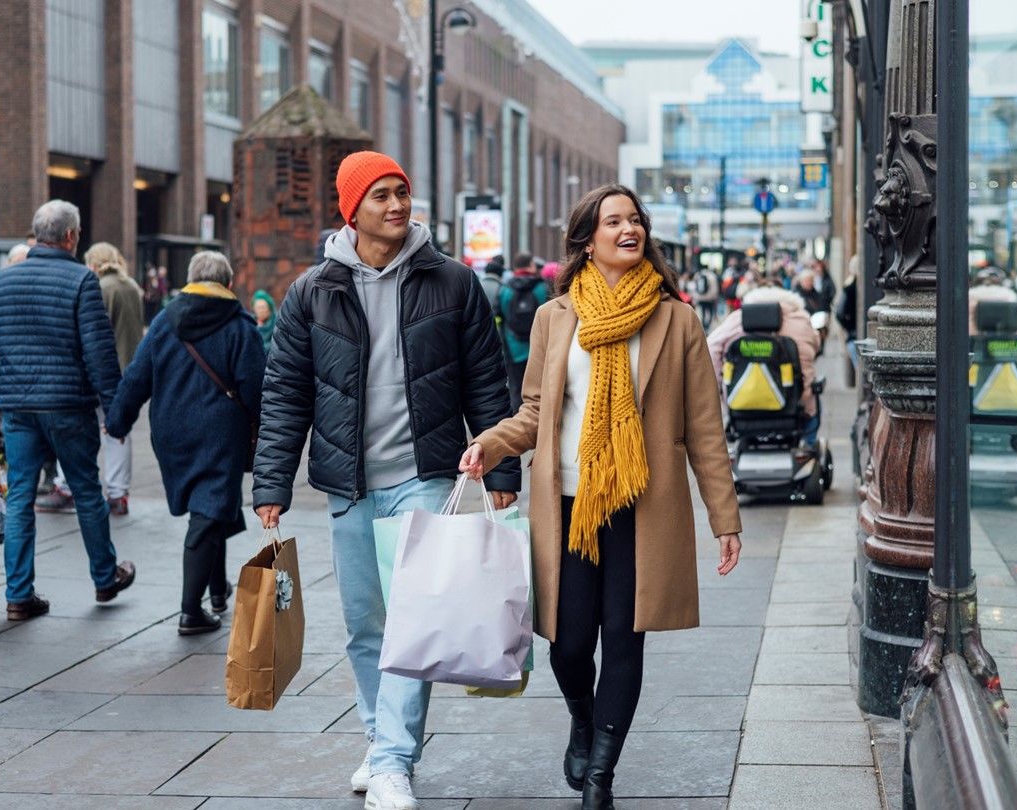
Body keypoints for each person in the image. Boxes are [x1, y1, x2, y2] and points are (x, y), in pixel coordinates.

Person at [459, 183, 743, 810]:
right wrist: (493, 443)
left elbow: (704, 428)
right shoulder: (556, 316)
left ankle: (601, 775)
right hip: (566, 502)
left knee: (624, 634)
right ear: (587, 239)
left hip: (643, 506)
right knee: (567, 642)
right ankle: (582, 721)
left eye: (635, 219)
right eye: (614, 221)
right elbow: (535, 409)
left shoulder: (678, 320)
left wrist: (725, 517)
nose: (629, 229)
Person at [251, 150, 519, 810]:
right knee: (364, 625)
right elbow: (285, 393)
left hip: (425, 475)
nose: (398, 205)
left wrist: (502, 461)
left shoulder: (452, 282)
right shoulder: (313, 292)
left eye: (402, 192)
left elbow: (488, 380)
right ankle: (377, 740)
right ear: (352, 209)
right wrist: (271, 484)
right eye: (381, 195)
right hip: (348, 483)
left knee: (413, 620)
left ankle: (396, 758)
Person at [0, 200, 136, 622]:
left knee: (21, 496)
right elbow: (100, 354)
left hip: (18, 409)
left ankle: (18, 594)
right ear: (70, 237)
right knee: (86, 492)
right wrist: (115, 414)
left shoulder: (2, 282)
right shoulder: (82, 281)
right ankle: (104, 577)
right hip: (68, 407)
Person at [106, 252, 265, 635]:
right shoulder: (240, 325)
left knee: (209, 507)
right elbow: (256, 387)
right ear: (228, 284)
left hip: (171, 433)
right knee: (208, 512)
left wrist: (118, 421)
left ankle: (217, 589)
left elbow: (136, 377)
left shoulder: (164, 321)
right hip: (220, 434)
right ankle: (191, 611)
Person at [37, 242, 144, 517]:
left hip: (100, 375)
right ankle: (119, 494)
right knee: (118, 434)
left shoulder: (99, 287)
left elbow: (92, 335)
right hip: (128, 373)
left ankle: (66, 487)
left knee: (76, 427)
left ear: (93, 263)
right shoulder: (131, 286)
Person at [707, 285, 823, 449]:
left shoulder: (738, 319)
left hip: (741, 405)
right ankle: (809, 446)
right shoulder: (801, 319)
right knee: (813, 401)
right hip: (795, 405)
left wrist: (721, 386)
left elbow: (710, 347)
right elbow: (816, 346)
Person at [501, 252, 549, 410]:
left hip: (513, 348)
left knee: (516, 389)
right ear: (532, 266)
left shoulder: (505, 290)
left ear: (515, 267)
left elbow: (498, 317)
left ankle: (519, 421)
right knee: (542, 391)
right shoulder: (543, 288)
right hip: (540, 349)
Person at [251, 289, 277, 357]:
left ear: (269, 308)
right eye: (258, 308)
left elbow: (277, 345)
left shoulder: (276, 323)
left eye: (263, 307)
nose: (261, 311)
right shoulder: (250, 323)